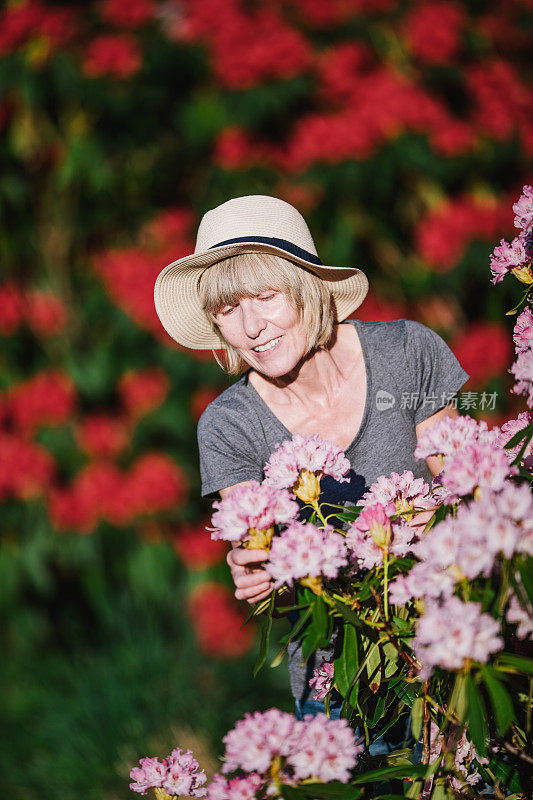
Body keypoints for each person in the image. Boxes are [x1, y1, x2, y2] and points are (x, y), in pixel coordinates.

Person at [154, 194, 469, 737]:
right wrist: (257, 574)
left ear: (305, 289)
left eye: (265, 296)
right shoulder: (230, 426)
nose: (252, 327)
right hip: (342, 689)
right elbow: (269, 570)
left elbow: (467, 497)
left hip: (457, 650)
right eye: (229, 309)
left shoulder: (407, 353)